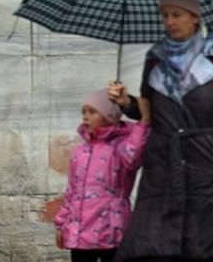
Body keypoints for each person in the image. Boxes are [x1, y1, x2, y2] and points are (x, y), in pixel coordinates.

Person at [110, 0, 213, 262]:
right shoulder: (155, 58)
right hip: (163, 166)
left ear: (195, 16)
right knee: (155, 244)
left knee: (209, 245)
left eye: (177, 15)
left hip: (208, 168)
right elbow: (147, 111)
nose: (170, 21)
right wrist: (127, 102)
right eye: (165, 16)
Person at [54, 90, 150, 262]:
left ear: (110, 115)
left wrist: (144, 121)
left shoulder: (121, 148)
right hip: (80, 234)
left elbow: (134, 154)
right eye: (83, 112)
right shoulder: (80, 152)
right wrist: (61, 224)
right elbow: (71, 192)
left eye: (92, 112)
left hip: (111, 231)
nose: (85, 117)